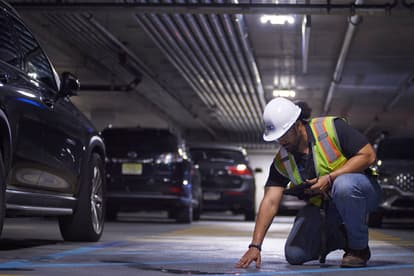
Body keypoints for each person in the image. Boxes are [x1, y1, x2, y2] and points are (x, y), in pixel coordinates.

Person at [235, 97, 381, 268]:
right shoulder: (282, 161)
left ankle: (358, 249)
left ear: (297, 126)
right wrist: (255, 246)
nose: (281, 142)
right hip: (327, 207)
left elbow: (368, 155)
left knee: (344, 185)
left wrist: (330, 178)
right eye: (277, 138)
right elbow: (270, 202)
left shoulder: (331, 128)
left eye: (284, 135)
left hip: (362, 192)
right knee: (295, 254)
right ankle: (342, 237)